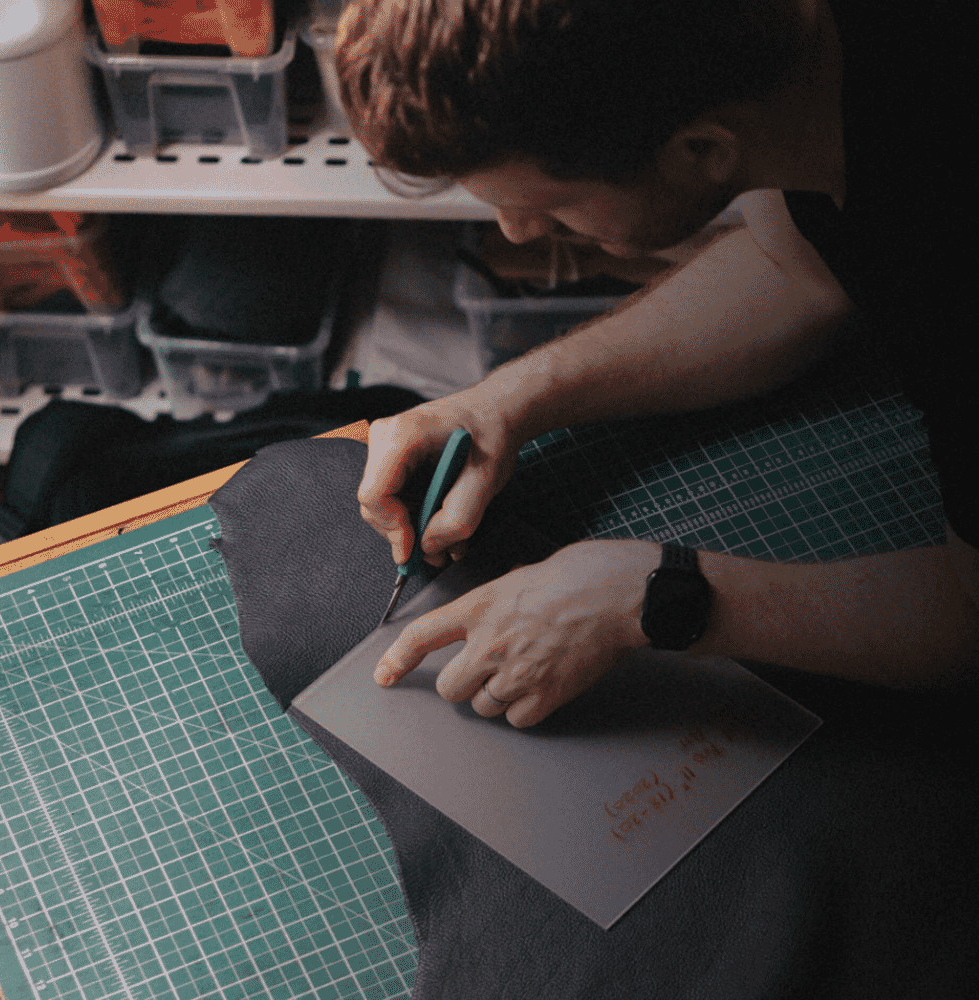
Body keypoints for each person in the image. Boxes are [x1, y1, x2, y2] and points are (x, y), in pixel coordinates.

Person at [336, 0, 975, 727]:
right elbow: (800, 268)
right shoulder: (793, 61)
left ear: (702, 150)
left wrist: (650, 597)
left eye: (554, 206)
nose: (516, 231)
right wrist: (506, 401)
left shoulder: (950, 236)